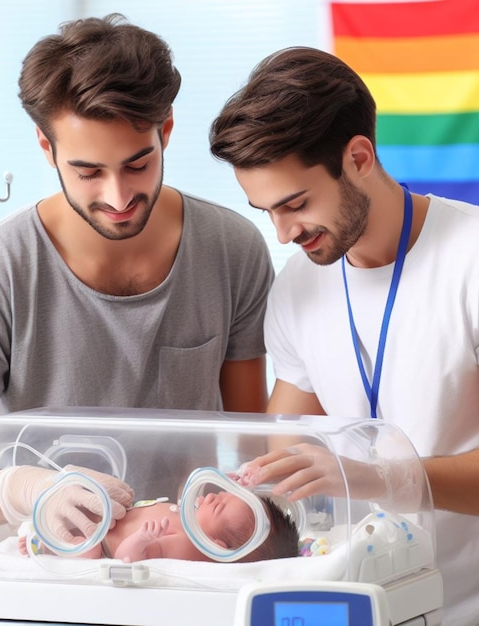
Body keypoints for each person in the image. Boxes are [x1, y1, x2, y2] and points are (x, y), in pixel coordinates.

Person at [0, 14, 274, 524]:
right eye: (88, 172)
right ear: (47, 149)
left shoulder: (232, 249)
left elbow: (252, 445)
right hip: (41, 565)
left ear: (166, 132)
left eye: (138, 164)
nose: (118, 197)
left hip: (183, 559)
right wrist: (21, 490)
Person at [209, 46, 479, 625]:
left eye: (296, 204)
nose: (283, 233)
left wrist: (377, 477)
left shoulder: (470, 260)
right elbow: (282, 455)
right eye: (266, 212)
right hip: (363, 605)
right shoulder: (297, 288)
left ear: (359, 156)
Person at [19, 490, 300, 563]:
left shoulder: (187, 544)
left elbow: (127, 559)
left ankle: (45, 545)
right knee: (74, 507)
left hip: (103, 543)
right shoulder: (192, 522)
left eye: (217, 506)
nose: (211, 496)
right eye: (221, 494)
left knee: (88, 550)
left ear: (218, 546)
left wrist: (141, 539)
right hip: (110, 517)